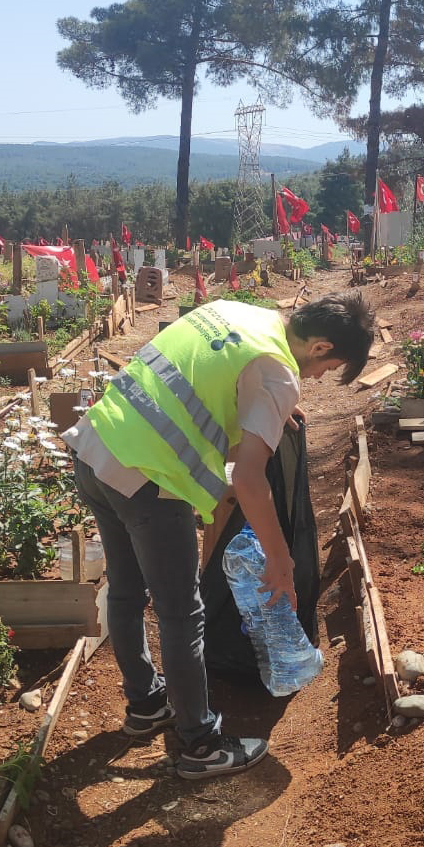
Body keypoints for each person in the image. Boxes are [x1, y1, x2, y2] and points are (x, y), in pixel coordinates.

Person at [63, 294, 374, 780]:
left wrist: (265, 419)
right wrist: (280, 559)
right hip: (147, 479)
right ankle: (200, 744)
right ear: (320, 346)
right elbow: (249, 479)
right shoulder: (277, 372)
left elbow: (200, 394)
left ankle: (146, 703)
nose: (317, 379)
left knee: (125, 590)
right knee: (181, 613)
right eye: (328, 367)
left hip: (96, 448)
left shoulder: (238, 313)